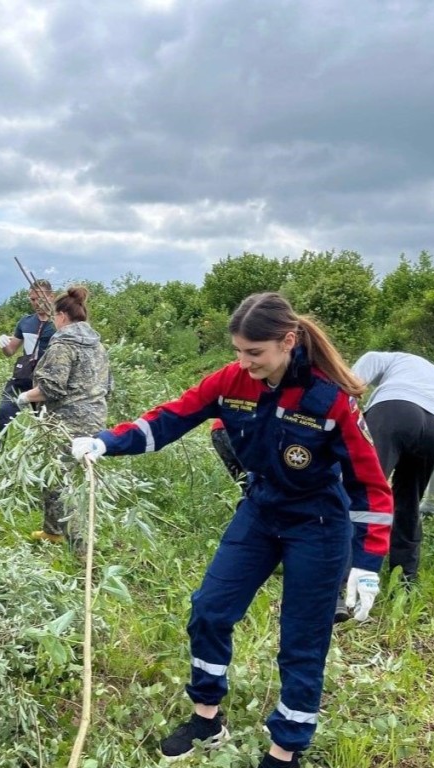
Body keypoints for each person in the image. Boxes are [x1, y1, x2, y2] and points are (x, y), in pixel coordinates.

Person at [71, 292, 393, 767]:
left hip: (319, 525)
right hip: (261, 512)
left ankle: (285, 751)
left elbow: (370, 487)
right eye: (238, 351)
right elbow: (170, 418)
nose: (244, 363)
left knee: (302, 639)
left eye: (254, 353)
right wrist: (105, 442)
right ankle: (207, 720)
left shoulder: (330, 399)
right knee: (210, 610)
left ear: (287, 341)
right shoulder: (231, 381)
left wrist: (366, 564)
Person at [14, 286, 109, 548]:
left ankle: (79, 547)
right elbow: (107, 385)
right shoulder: (98, 345)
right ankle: (52, 530)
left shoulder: (62, 345)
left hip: (68, 423)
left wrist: (23, 398)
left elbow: (52, 387)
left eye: (55, 317)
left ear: (62, 317)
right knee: (78, 479)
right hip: (96, 419)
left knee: (60, 481)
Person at [351, 351, 434, 582]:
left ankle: (344, 578)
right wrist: (432, 501)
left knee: (364, 493)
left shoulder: (384, 358)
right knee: (409, 502)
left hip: (393, 410)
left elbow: (348, 385)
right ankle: (405, 581)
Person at [0, 280, 56, 479]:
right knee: (3, 416)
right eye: (32, 299)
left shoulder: (59, 323)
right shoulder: (25, 322)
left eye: (39, 298)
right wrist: (3, 343)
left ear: (51, 297)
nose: (35, 303)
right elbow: (10, 350)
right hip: (22, 379)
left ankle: (48, 474)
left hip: (45, 383)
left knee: (47, 427)